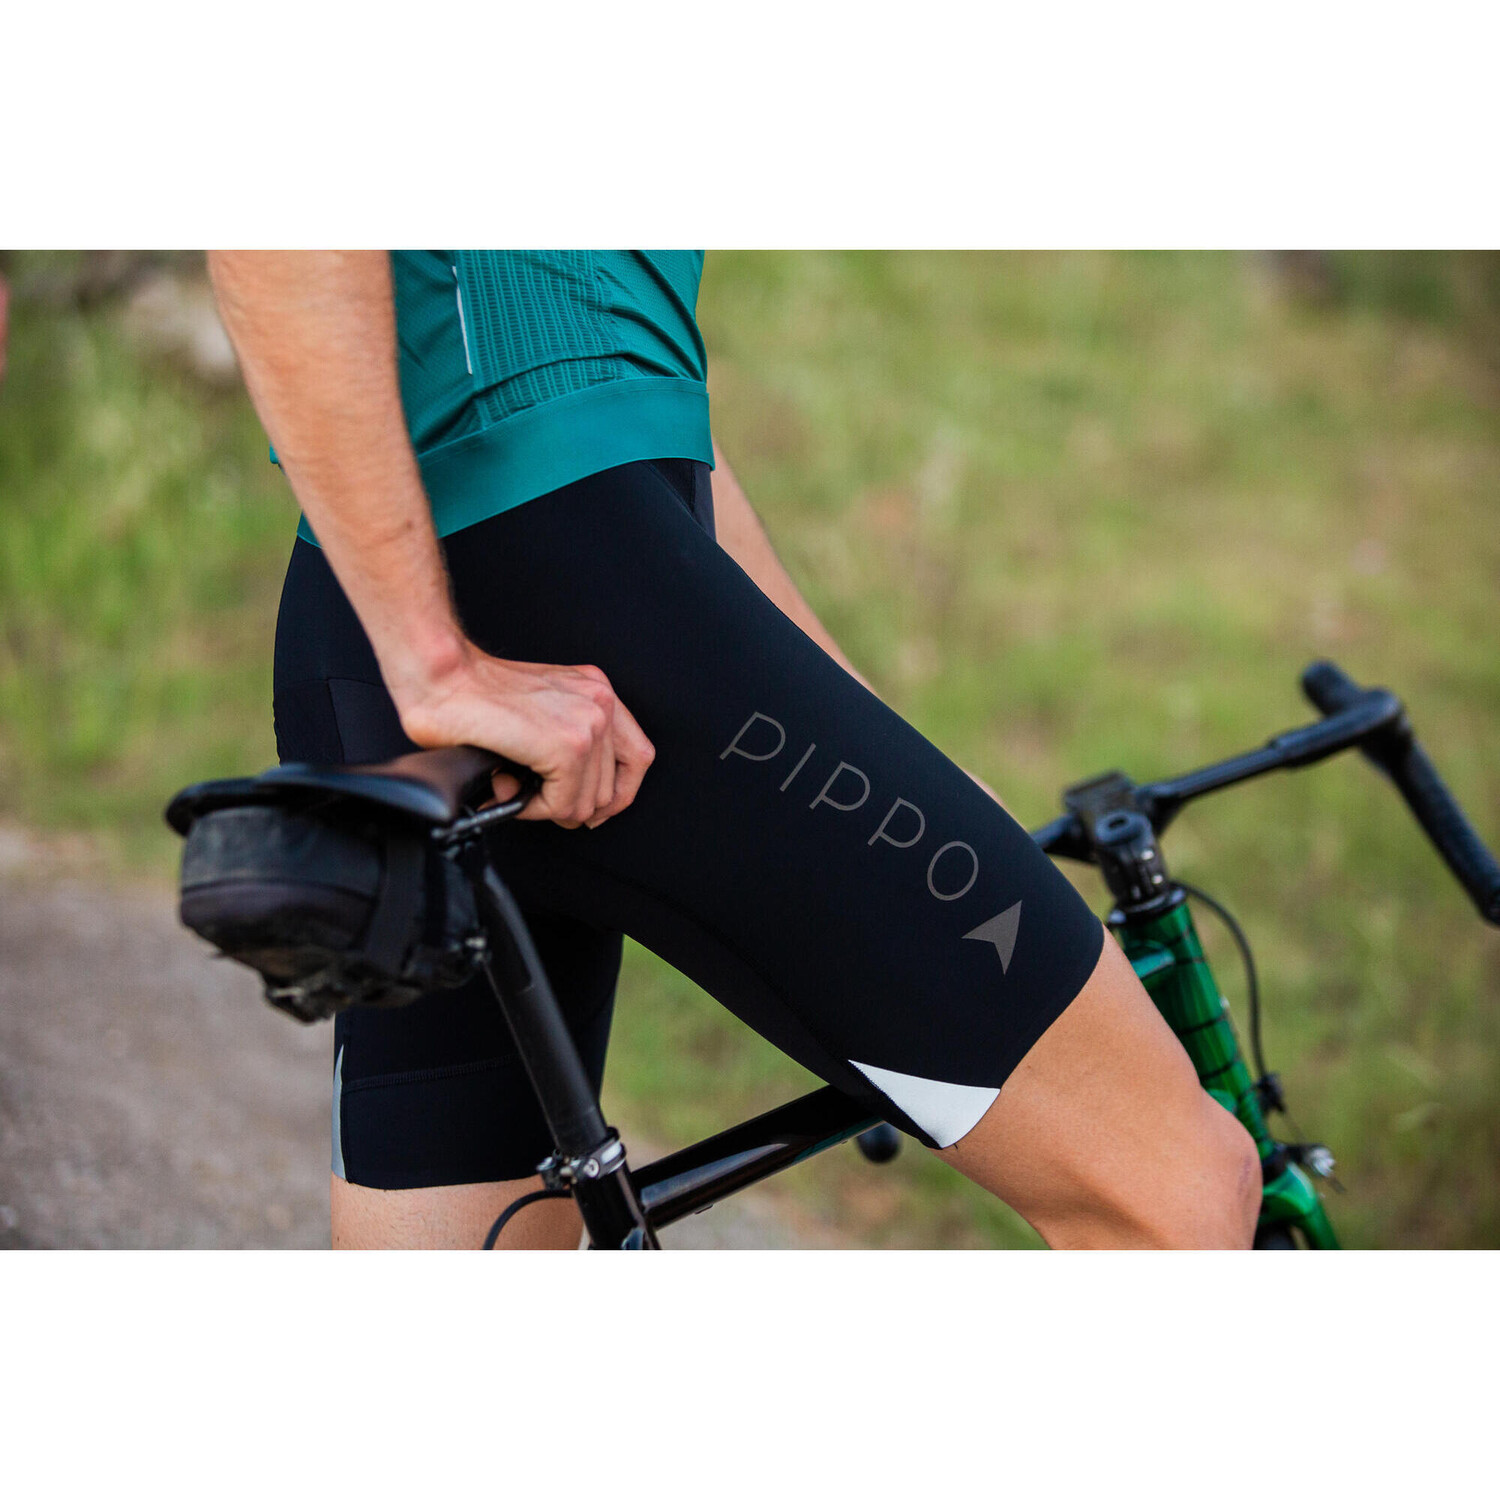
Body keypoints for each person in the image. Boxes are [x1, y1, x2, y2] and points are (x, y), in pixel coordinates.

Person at [208, 250, 1259, 1250]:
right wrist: (437, 669)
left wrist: (875, 734)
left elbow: (647, 417)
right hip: (557, 595)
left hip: (419, 614)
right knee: (1175, 1190)